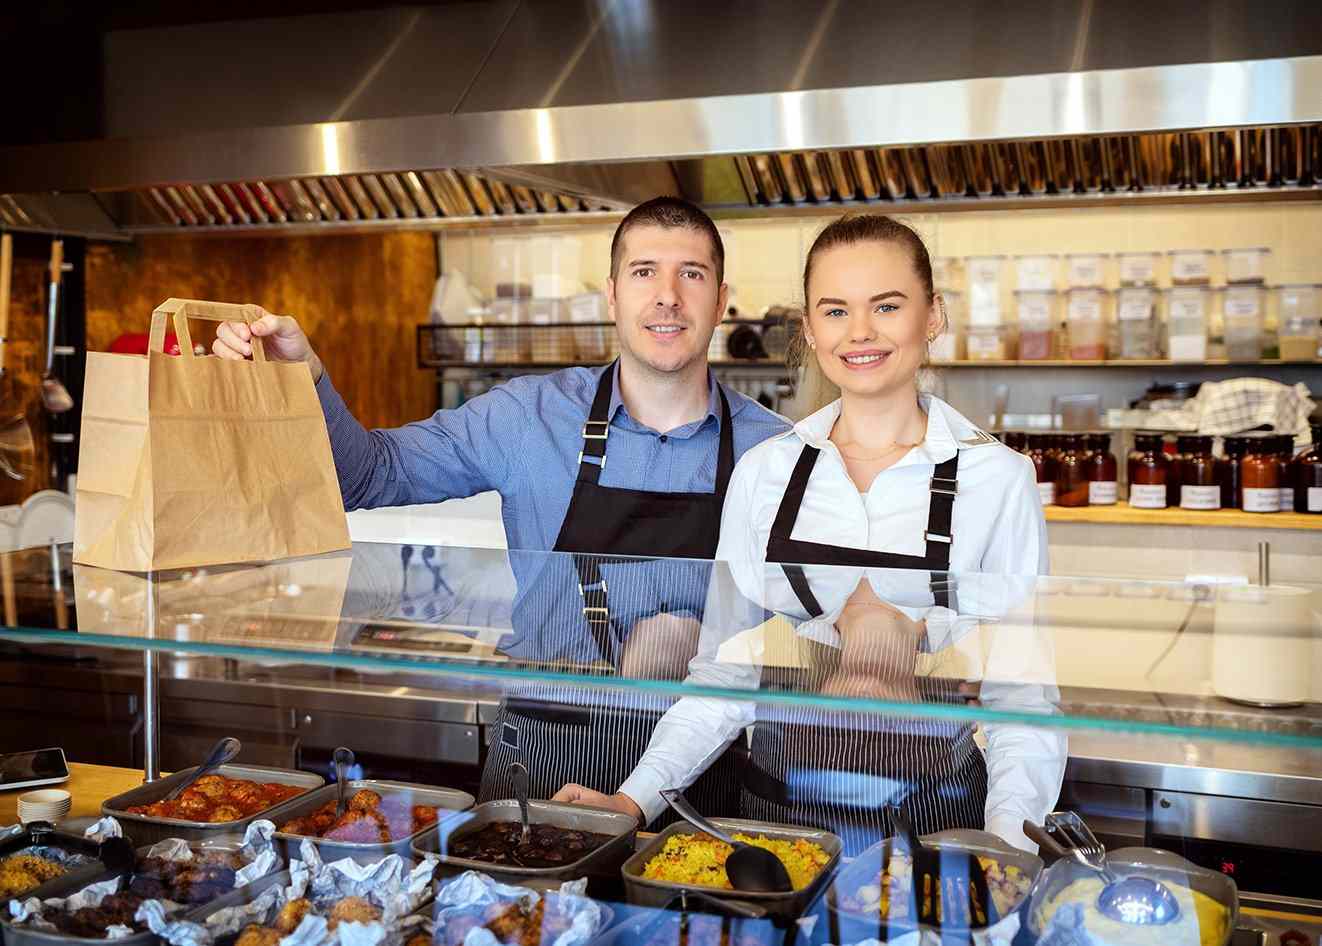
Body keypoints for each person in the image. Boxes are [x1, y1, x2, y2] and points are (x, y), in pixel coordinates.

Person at [211, 197, 788, 819]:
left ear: (721, 298)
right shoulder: (525, 417)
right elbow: (370, 477)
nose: (668, 295)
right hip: (544, 751)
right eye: (645, 271)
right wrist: (302, 377)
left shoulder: (776, 450)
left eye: (691, 274)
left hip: (700, 766)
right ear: (613, 294)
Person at [554, 213, 1065, 853]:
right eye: (834, 311)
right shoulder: (766, 473)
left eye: (886, 306)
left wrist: (1006, 851)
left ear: (932, 315)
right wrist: (632, 800)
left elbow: (1024, 704)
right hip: (773, 822)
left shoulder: (998, 481)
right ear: (809, 330)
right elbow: (724, 680)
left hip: (938, 824)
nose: (859, 333)